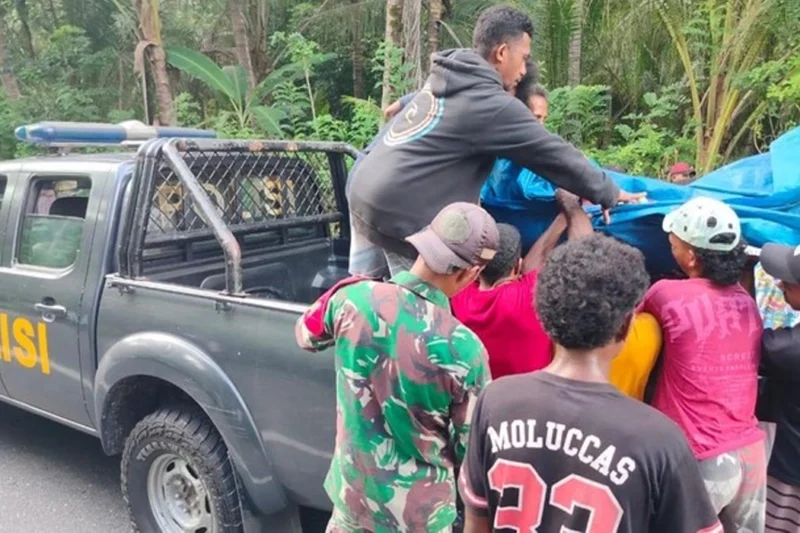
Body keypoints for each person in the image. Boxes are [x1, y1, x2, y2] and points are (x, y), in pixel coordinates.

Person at [348, 5, 644, 277]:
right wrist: (608, 190)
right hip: (398, 213)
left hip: (363, 188)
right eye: (524, 58)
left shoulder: (451, 75)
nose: (524, 69)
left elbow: (395, 111)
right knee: (418, 313)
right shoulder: (491, 104)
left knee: (366, 292)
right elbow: (552, 153)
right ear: (502, 52)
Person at [458, 233, 722, 532]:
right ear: (625, 327)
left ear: (544, 315)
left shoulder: (496, 401)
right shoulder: (660, 440)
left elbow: (476, 522)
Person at [295, 202, 497, 532]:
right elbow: (469, 451)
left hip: (353, 505)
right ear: (472, 273)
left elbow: (306, 334)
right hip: (420, 519)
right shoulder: (465, 349)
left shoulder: (352, 298)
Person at [640, 197, 766, 530]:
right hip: (751, 454)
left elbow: (630, 330)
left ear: (692, 256)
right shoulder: (747, 303)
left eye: (673, 245)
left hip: (703, 456)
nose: (671, 250)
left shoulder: (666, 293)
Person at [753, 243, 800, 532]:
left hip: (792, 473)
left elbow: (756, 344)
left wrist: (744, 285)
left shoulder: (789, 350)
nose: (780, 283)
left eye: (790, 283)